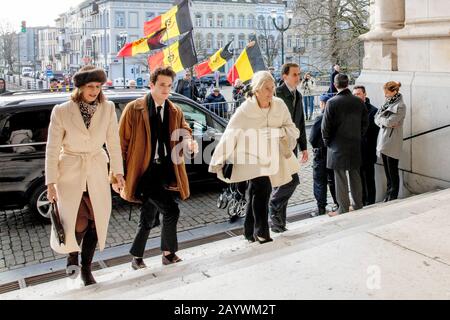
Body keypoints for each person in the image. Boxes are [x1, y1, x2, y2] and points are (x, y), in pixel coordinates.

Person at [45, 66, 125, 286]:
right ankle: (72, 253)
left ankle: (86, 269)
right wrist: (50, 182)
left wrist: (118, 173)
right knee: (76, 222)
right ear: (79, 87)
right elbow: (52, 148)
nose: (94, 91)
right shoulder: (61, 110)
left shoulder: (107, 108)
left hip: (97, 170)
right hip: (70, 171)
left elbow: (113, 143)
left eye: (98, 87)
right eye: (90, 86)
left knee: (96, 222)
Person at [118, 66, 198, 270]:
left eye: (169, 86)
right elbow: (121, 143)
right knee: (171, 210)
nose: (166, 89)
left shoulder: (174, 110)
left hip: (164, 170)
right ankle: (168, 254)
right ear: (151, 84)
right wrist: (118, 174)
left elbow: (185, 128)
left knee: (148, 216)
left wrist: (189, 141)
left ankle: (136, 257)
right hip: (143, 172)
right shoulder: (133, 109)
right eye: (162, 85)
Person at [209, 71, 300, 244]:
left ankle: (248, 231)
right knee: (263, 189)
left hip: (272, 157)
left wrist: (277, 132)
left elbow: (293, 130)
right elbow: (230, 134)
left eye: (272, 87)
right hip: (251, 158)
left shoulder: (279, 105)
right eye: (267, 88)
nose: (271, 92)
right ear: (257, 89)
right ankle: (262, 232)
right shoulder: (245, 110)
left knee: (255, 192)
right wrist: (218, 160)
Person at [268, 63, 308, 233]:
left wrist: (304, 147)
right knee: (290, 181)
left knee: (285, 181)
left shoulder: (298, 95)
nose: (298, 77)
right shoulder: (276, 93)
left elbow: (300, 123)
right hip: (278, 146)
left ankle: (279, 224)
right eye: (294, 74)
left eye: (299, 74)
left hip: (291, 146)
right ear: (284, 76)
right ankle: (273, 207)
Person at [321, 73, 369, 216]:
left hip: (336, 146)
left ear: (335, 85)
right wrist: (358, 136)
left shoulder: (332, 102)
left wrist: (328, 142)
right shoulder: (359, 102)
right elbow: (365, 123)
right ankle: (358, 204)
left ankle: (343, 208)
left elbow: (325, 127)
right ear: (348, 84)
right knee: (355, 175)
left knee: (340, 178)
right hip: (354, 144)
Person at [374, 81, 406, 202]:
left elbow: (389, 122)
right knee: (387, 171)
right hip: (383, 140)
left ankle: (393, 196)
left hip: (392, 141)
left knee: (392, 171)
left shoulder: (401, 106)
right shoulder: (387, 103)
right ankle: (388, 194)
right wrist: (384, 120)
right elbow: (375, 119)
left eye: (387, 93)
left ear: (394, 91)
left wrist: (383, 120)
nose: (385, 95)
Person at [309, 93, 338, 216]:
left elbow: (312, 138)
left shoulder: (320, 118)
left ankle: (321, 208)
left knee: (320, 181)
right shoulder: (336, 117)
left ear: (324, 103)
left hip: (321, 154)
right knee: (333, 180)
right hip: (333, 152)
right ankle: (338, 203)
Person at [353, 85, 379, 205]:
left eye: (358, 94)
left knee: (369, 179)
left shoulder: (373, 111)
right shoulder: (351, 110)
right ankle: (361, 201)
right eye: (354, 94)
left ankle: (371, 203)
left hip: (368, 151)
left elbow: (371, 132)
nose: (356, 96)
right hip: (356, 152)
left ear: (364, 94)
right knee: (358, 180)